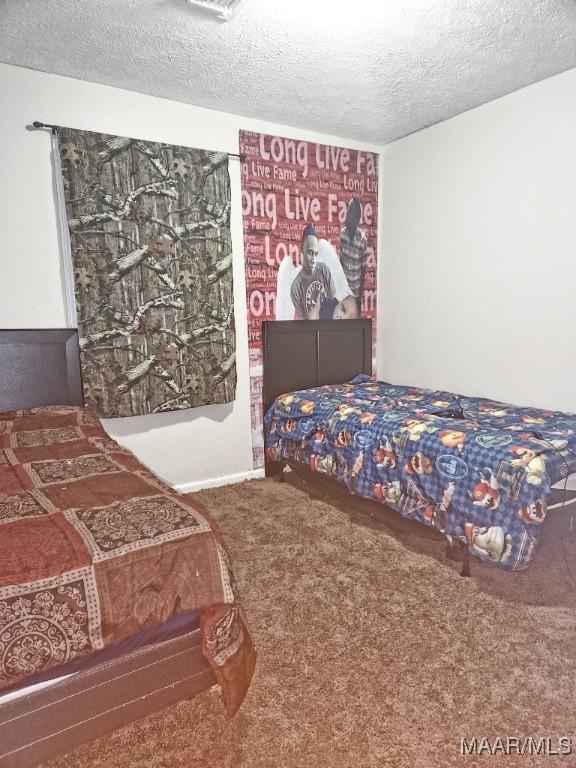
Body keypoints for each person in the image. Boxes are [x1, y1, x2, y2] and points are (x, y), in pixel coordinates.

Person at [290, 225, 340, 320]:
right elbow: (301, 325)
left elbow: (335, 304)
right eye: (310, 253)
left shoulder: (324, 270)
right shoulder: (295, 288)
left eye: (315, 254)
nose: (313, 259)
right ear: (302, 250)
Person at [339, 198, 368, 312]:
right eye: (349, 211)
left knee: (354, 326)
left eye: (353, 213)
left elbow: (364, 270)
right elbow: (340, 263)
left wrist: (359, 298)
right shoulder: (343, 235)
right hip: (344, 292)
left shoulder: (362, 239)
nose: (349, 215)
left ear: (358, 217)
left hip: (355, 293)